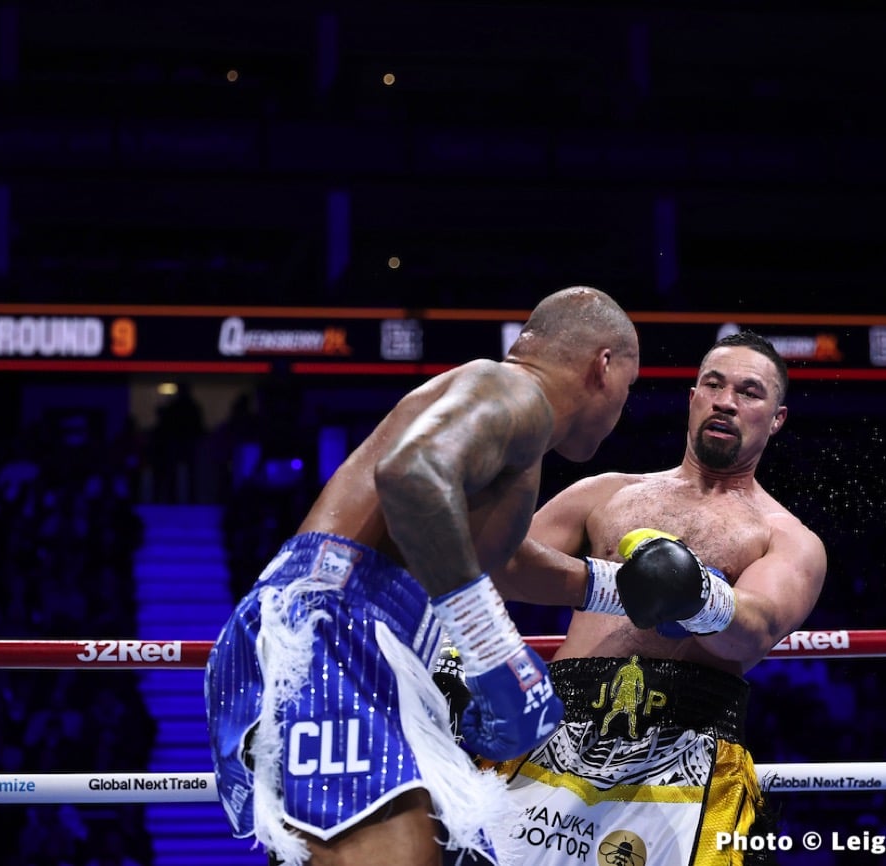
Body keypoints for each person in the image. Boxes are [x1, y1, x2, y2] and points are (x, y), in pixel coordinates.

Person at [204, 286, 639, 866]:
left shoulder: (509, 435)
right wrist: (492, 649)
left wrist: (620, 589)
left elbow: (502, 562)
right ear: (604, 365)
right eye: (630, 385)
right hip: (334, 628)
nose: (624, 407)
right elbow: (411, 475)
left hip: (369, 644)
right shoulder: (513, 389)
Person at [488, 329, 828, 866]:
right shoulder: (606, 493)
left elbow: (755, 630)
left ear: (776, 418)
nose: (725, 401)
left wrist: (699, 597)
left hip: (686, 755)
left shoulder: (786, 538)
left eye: (749, 392)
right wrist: (612, 586)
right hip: (554, 735)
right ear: (692, 398)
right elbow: (502, 567)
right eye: (713, 384)